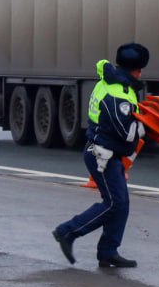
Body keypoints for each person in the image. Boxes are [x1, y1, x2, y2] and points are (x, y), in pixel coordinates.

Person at [52, 42, 150, 269]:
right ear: (139, 69)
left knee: (121, 203)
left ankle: (108, 252)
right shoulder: (120, 94)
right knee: (115, 203)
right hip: (102, 155)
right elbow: (126, 134)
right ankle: (67, 231)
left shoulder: (108, 81)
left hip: (103, 151)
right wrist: (146, 126)